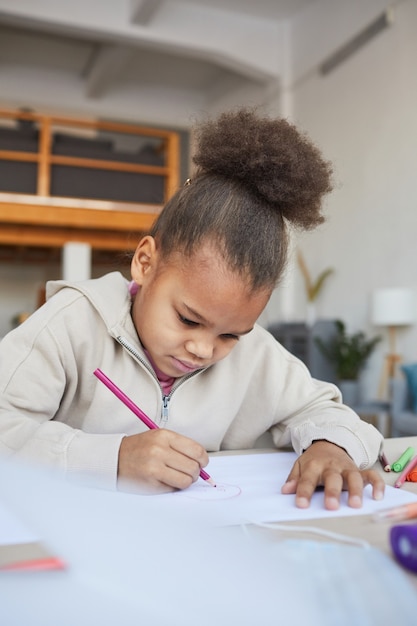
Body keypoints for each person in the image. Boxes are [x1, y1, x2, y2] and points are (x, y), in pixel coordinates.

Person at [0, 108, 385, 509]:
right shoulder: (72, 323)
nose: (203, 349)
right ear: (145, 263)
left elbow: (325, 409)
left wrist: (331, 446)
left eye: (230, 334)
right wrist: (113, 459)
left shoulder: (255, 356)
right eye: (188, 319)